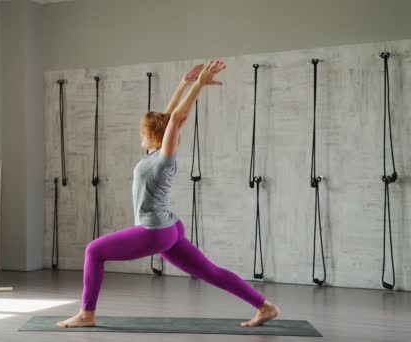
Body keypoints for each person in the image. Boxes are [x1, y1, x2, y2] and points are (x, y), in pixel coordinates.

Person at [57, 60, 280, 328]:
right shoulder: (155, 151)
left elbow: (174, 119)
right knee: (210, 272)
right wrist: (184, 83)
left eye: (143, 130)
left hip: (155, 231)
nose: (140, 133)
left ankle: (87, 313)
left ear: (153, 135)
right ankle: (265, 306)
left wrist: (198, 86)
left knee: (94, 250)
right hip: (170, 228)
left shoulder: (164, 158)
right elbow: (169, 116)